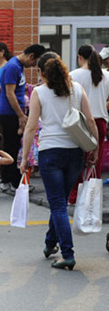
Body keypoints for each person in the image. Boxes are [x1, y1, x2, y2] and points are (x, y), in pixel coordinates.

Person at [20, 52, 98, 271]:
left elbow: (31, 127)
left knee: (58, 205)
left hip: (50, 153)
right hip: (75, 151)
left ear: (44, 74)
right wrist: (95, 148)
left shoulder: (39, 92)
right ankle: (49, 243)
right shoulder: (77, 90)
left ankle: (67, 254)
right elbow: (90, 120)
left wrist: (25, 158)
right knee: (60, 202)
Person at [0, 43, 46, 192]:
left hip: (13, 112)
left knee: (12, 146)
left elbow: (16, 89)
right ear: (31, 56)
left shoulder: (17, 67)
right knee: (13, 148)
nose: (33, 66)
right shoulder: (13, 67)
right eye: (35, 62)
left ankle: (8, 180)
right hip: (10, 113)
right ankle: (15, 183)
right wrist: (21, 115)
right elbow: (9, 93)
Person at [68, 44, 109, 204]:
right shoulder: (105, 75)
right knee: (95, 162)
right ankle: (92, 198)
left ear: (80, 57)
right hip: (100, 123)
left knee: (78, 160)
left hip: (79, 123)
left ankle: (73, 196)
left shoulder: (73, 75)